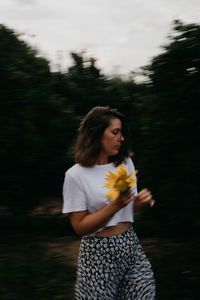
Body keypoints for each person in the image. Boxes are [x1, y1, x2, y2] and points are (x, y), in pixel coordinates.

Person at [62, 106, 156, 299]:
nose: (121, 138)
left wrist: (139, 202)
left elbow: (129, 209)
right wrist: (115, 205)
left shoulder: (125, 163)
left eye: (121, 132)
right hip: (97, 255)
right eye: (115, 132)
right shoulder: (75, 176)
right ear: (96, 134)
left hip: (130, 246)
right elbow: (79, 227)